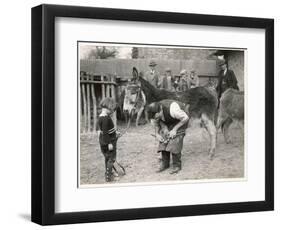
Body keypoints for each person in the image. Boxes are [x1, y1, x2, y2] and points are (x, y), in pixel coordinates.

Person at [147, 99, 189, 174]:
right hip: (168, 122)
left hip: (180, 121)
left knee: (175, 141)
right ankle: (165, 163)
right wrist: (157, 134)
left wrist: (175, 129)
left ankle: (177, 165)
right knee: (163, 140)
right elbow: (157, 123)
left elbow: (185, 118)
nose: (155, 119)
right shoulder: (154, 114)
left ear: (160, 111)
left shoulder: (173, 109)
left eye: (156, 117)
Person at [97, 97, 120, 182]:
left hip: (103, 141)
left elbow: (103, 130)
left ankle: (108, 172)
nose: (112, 112)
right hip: (109, 142)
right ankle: (109, 176)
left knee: (107, 158)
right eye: (112, 110)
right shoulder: (106, 118)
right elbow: (106, 133)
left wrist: (115, 132)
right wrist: (109, 143)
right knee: (111, 158)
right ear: (108, 107)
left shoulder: (101, 117)